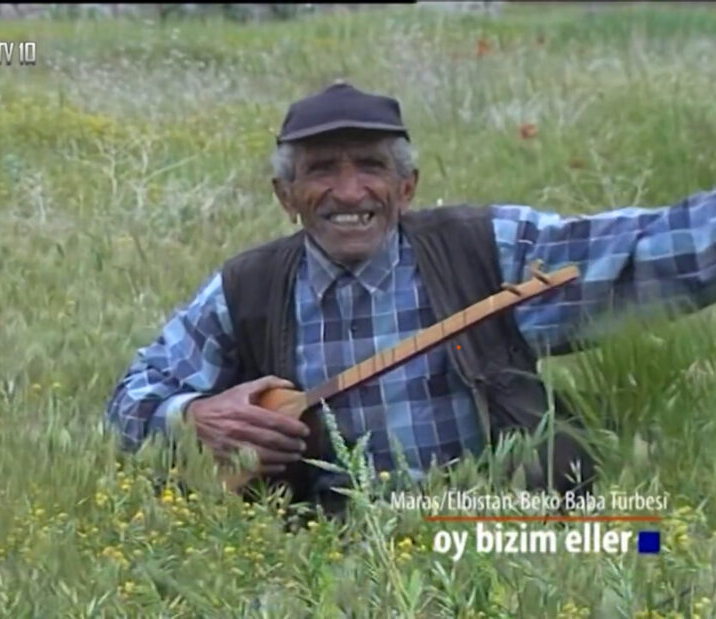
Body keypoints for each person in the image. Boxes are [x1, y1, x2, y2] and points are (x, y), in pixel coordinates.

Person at [104, 82, 716, 509]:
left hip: (504, 532)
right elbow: (132, 399)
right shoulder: (246, 288)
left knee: (644, 543)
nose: (349, 192)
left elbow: (643, 253)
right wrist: (193, 417)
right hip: (335, 549)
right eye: (321, 170)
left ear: (407, 186)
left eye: (370, 166)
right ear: (285, 195)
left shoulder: (487, 248)